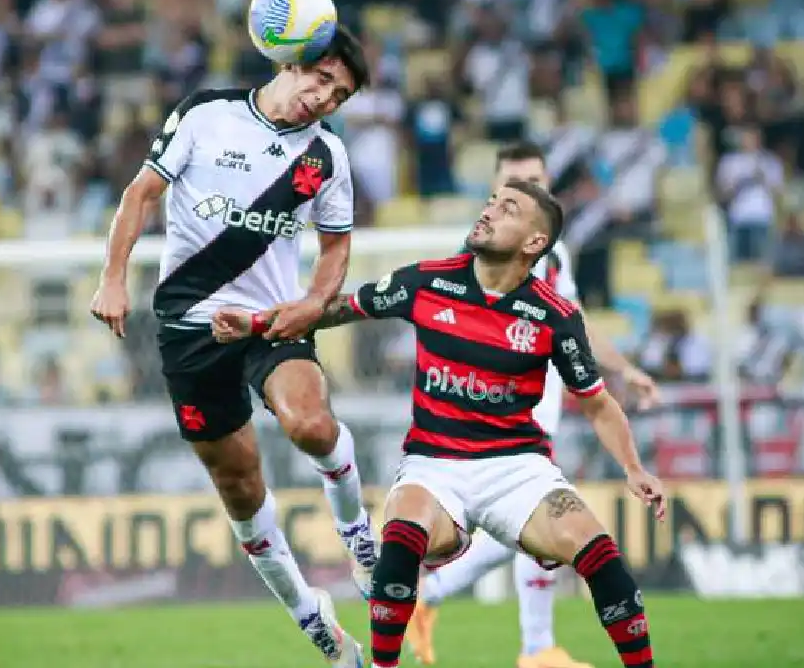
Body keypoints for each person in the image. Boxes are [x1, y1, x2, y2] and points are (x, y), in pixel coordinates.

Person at [214, 179, 667, 668]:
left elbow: (597, 403)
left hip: (518, 468)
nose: (489, 211)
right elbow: (339, 308)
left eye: (507, 208)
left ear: (535, 243)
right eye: (491, 201)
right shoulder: (428, 281)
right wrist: (258, 324)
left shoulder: (554, 317)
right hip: (434, 464)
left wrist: (634, 467)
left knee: (602, 557)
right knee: (399, 543)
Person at [89, 26, 374, 668]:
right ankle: (314, 620)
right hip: (190, 327)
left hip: (270, 322)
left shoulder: (326, 156)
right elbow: (141, 194)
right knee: (240, 488)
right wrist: (113, 276)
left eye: (341, 94)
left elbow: (335, 248)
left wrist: (308, 304)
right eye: (322, 79)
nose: (326, 99)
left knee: (310, 423)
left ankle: (360, 539)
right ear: (291, 62)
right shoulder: (205, 114)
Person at [411, 142, 663, 668]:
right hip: (494, 410)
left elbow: (575, 320)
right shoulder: (484, 253)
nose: (530, 190)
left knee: (533, 523)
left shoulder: (554, 253)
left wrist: (622, 369)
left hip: (541, 395)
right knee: (525, 520)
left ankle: (527, 642)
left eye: (538, 180)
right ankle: (515, 637)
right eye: (516, 182)